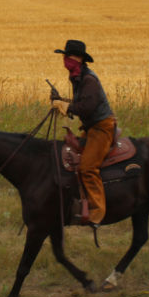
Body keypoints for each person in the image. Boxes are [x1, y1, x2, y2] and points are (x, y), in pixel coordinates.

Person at [51, 40, 116, 227]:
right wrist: (61, 101)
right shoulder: (78, 77)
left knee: (88, 168)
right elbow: (82, 103)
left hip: (101, 128)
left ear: (78, 59)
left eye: (68, 56)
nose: (65, 60)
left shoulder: (88, 80)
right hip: (92, 128)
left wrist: (65, 106)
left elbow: (87, 107)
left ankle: (97, 212)